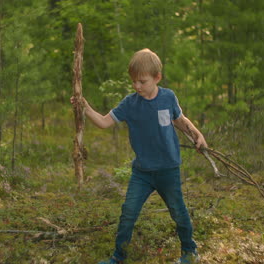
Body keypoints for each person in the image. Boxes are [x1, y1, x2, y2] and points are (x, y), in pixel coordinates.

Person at [71, 48, 207, 264]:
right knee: (128, 213)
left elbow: (180, 120)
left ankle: (190, 252)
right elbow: (105, 122)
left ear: (157, 78)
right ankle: (118, 257)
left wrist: (197, 135)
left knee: (179, 212)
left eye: (142, 82)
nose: (137, 86)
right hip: (142, 172)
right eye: (134, 81)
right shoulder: (130, 103)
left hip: (168, 169)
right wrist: (85, 107)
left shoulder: (168, 97)